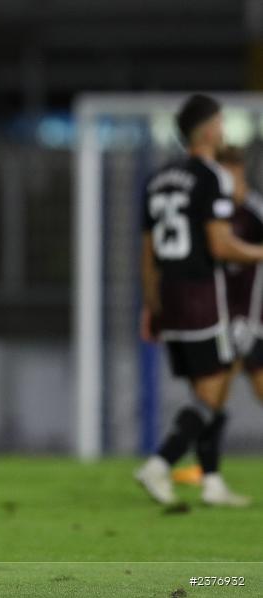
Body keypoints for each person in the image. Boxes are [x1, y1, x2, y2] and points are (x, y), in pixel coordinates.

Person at [135, 95, 256, 507]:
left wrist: (151, 305)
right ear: (207, 130)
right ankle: (159, 464)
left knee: (206, 390)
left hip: (169, 296)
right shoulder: (213, 176)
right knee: (213, 393)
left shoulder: (157, 179)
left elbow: (148, 254)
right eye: (221, 122)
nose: (224, 129)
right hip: (203, 295)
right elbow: (220, 245)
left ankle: (212, 482)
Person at [171, 146, 262, 496]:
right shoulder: (208, 213)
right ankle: (208, 475)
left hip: (253, 319)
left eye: (236, 177)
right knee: (212, 396)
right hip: (218, 317)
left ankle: (173, 463)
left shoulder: (254, 212)